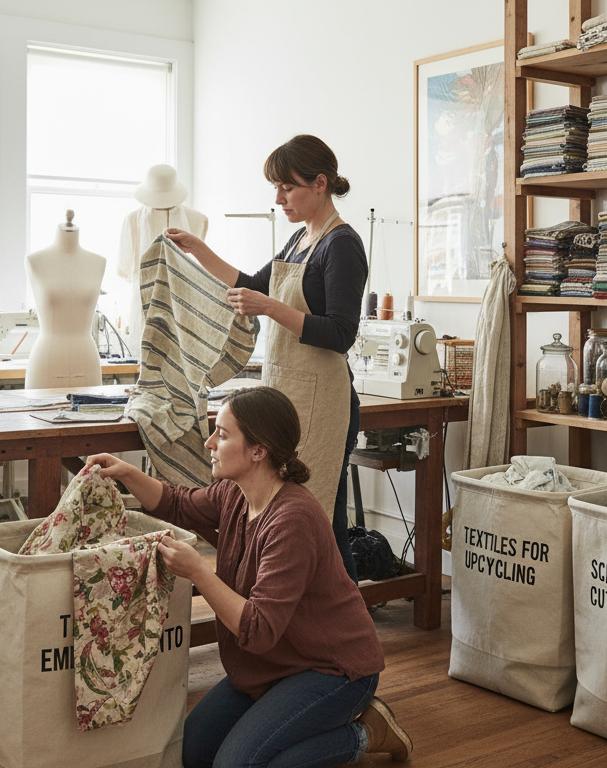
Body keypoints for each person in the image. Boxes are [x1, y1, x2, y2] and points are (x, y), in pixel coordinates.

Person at [85, 386, 411, 767]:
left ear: (259, 451)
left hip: (332, 669)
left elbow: (258, 630)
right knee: (191, 754)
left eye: (222, 435)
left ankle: (367, 733)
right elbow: (176, 503)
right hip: (275, 664)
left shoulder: (293, 520)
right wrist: (125, 472)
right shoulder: (233, 494)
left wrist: (198, 572)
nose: (209, 443)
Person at [166, 134, 365, 583]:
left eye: (287, 188)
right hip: (289, 397)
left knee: (322, 524)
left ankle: (346, 627)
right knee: (295, 520)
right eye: (275, 188)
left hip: (324, 402)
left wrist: (271, 308)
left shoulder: (342, 246)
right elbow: (252, 283)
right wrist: (198, 250)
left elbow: (341, 333)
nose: (278, 199)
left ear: (320, 184)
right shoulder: (299, 240)